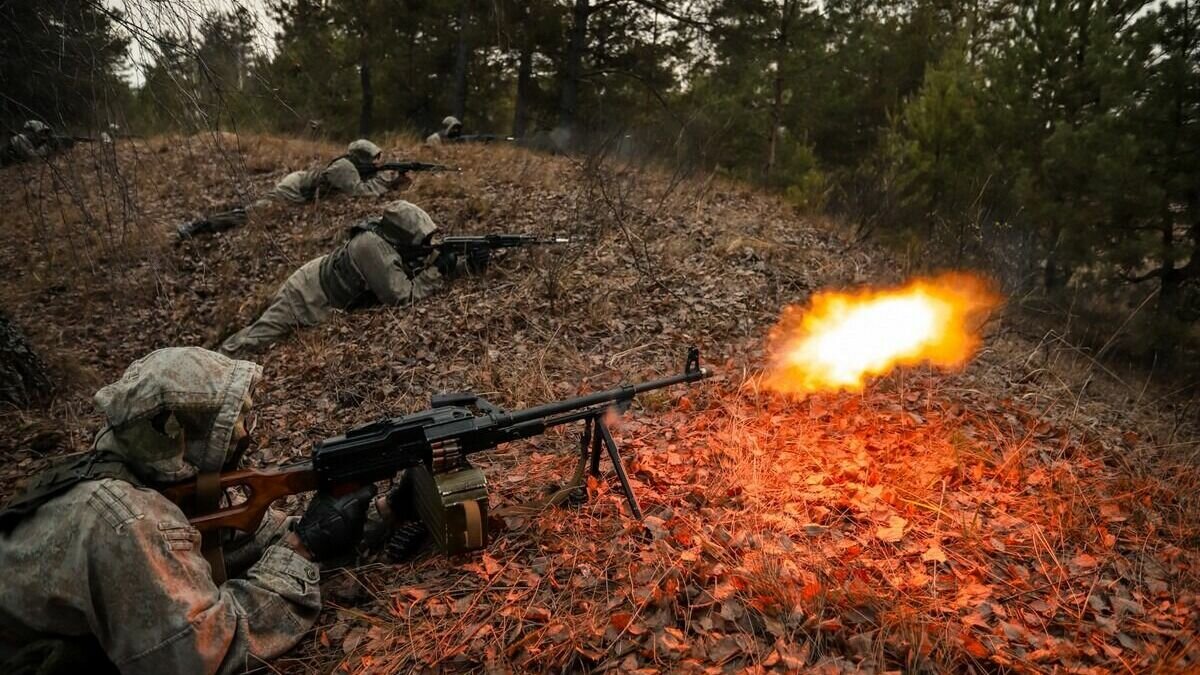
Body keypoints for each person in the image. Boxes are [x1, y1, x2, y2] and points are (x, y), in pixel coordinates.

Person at [0, 347, 379, 674]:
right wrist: (301, 550)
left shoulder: (142, 472)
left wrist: (384, 512)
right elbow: (199, 655)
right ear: (175, 438)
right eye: (229, 425)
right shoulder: (126, 521)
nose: (245, 432)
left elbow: (255, 540)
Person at [219, 200, 488, 356]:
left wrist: (463, 264)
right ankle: (213, 359)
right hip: (306, 295)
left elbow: (422, 263)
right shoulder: (372, 248)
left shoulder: (391, 239)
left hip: (318, 287)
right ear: (401, 235)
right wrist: (439, 270)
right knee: (256, 339)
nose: (427, 243)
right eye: (422, 239)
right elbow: (402, 296)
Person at [175, 139, 409, 241]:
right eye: (375, 158)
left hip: (301, 188)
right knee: (250, 214)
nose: (379, 162)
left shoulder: (356, 166)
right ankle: (197, 228)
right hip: (293, 190)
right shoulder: (345, 167)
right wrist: (387, 181)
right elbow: (359, 192)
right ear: (363, 157)